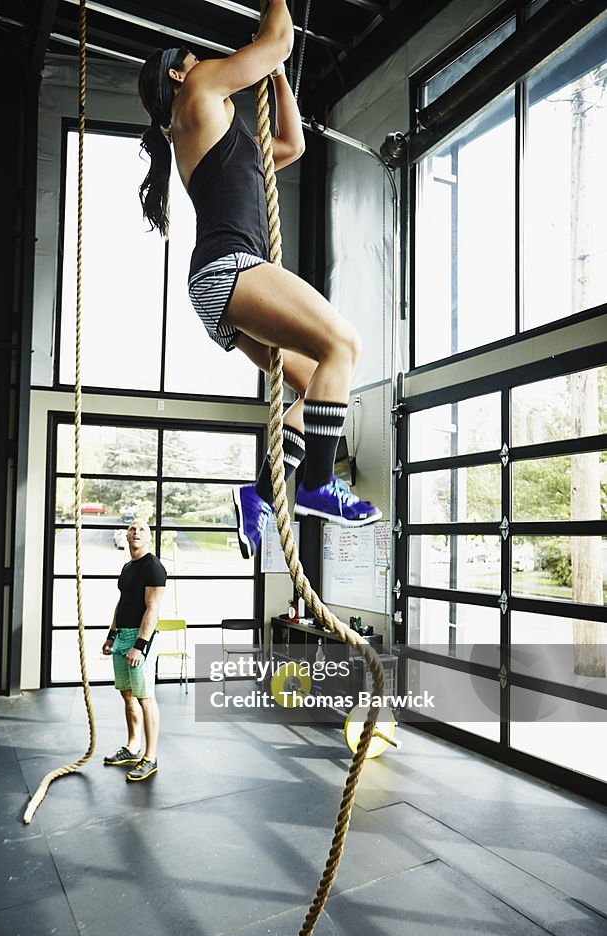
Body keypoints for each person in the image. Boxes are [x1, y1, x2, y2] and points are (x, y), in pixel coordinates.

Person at [137, 0, 381, 559]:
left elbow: (291, 145)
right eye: (197, 60)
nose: (209, 64)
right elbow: (278, 39)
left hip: (217, 284)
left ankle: (262, 495)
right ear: (180, 73)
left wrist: (273, 73)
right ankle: (317, 485)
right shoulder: (196, 91)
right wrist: (274, 23)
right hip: (232, 269)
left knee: (320, 377)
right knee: (344, 344)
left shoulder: (219, 131)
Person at [102, 519, 167, 782]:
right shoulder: (128, 567)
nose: (136, 532)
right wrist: (111, 635)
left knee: (145, 697)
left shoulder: (154, 567)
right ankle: (132, 746)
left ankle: (150, 758)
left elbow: (152, 609)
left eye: (141, 529)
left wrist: (140, 646)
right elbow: (122, 603)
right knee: (127, 695)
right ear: (126, 536)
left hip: (141, 639)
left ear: (148, 538)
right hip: (122, 636)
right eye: (132, 529)